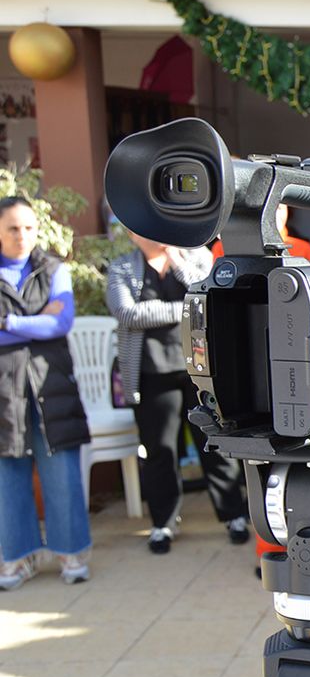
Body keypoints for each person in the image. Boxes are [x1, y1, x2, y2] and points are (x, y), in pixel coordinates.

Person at [108, 231, 251, 554]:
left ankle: (234, 515)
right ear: (132, 233)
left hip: (200, 371)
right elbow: (128, 313)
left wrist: (177, 262)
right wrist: (183, 308)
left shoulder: (196, 255)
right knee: (160, 450)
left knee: (213, 444)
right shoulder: (122, 267)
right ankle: (163, 523)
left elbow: (208, 297)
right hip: (151, 372)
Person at [0, 197, 93, 588]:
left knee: (63, 472)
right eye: (12, 228)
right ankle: (16, 558)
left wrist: (7, 322)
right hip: (5, 390)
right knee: (8, 473)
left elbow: (62, 323)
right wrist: (37, 320)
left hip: (51, 385)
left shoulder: (55, 269)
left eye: (29, 227)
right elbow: (47, 322)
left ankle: (70, 553)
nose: (22, 235)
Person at [210, 205, 310, 261]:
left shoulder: (304, 249)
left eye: (279, 208)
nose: (275, 215)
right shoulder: (223, 246)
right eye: (270, 208)